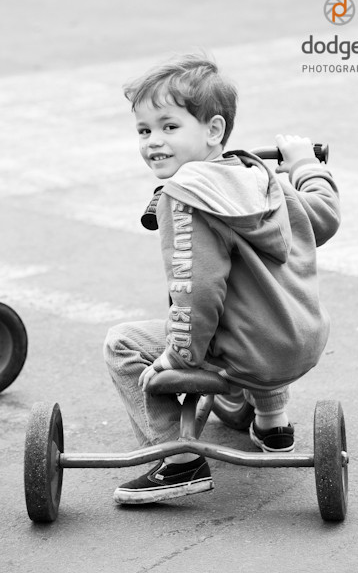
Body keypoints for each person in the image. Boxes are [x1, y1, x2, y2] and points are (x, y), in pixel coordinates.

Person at [104, 53, 340, 505]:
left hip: (247, 354)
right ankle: (272, 420)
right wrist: (305, 165)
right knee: (258, 295)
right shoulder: (260, 176)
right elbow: (324, 218)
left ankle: (177, 459)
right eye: (144, 130)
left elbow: (198, 289)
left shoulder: (185, 196)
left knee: (123, 343)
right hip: (298, 341)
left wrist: (177, 357)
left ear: (213, 130)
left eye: (170, 126)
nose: (154, 141)